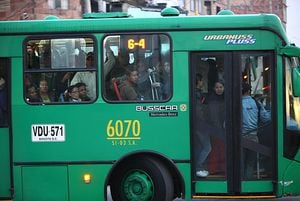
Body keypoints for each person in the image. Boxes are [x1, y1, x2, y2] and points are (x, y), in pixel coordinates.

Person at [241, 82, 271, 179]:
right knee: (250, 163)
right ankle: (247, 183)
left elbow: (226, 124)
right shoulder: (256, 103)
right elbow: (265, 118)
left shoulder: (236, 103)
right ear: (249, 91)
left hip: (240, 137)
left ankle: (239, 182)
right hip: (253, 137)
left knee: (240, 162)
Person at [206, 80, 226, 175]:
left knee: (221, 148)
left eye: (221, 87)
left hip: (221, 128)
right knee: (216, 149)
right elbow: (214, 117)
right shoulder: (212, 100)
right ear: (214, 89)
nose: (219, 89)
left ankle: (221, 168)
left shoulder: (225, 98)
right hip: (216, 129)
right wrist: (220, 129)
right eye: (217, 87)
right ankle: (213, 169)